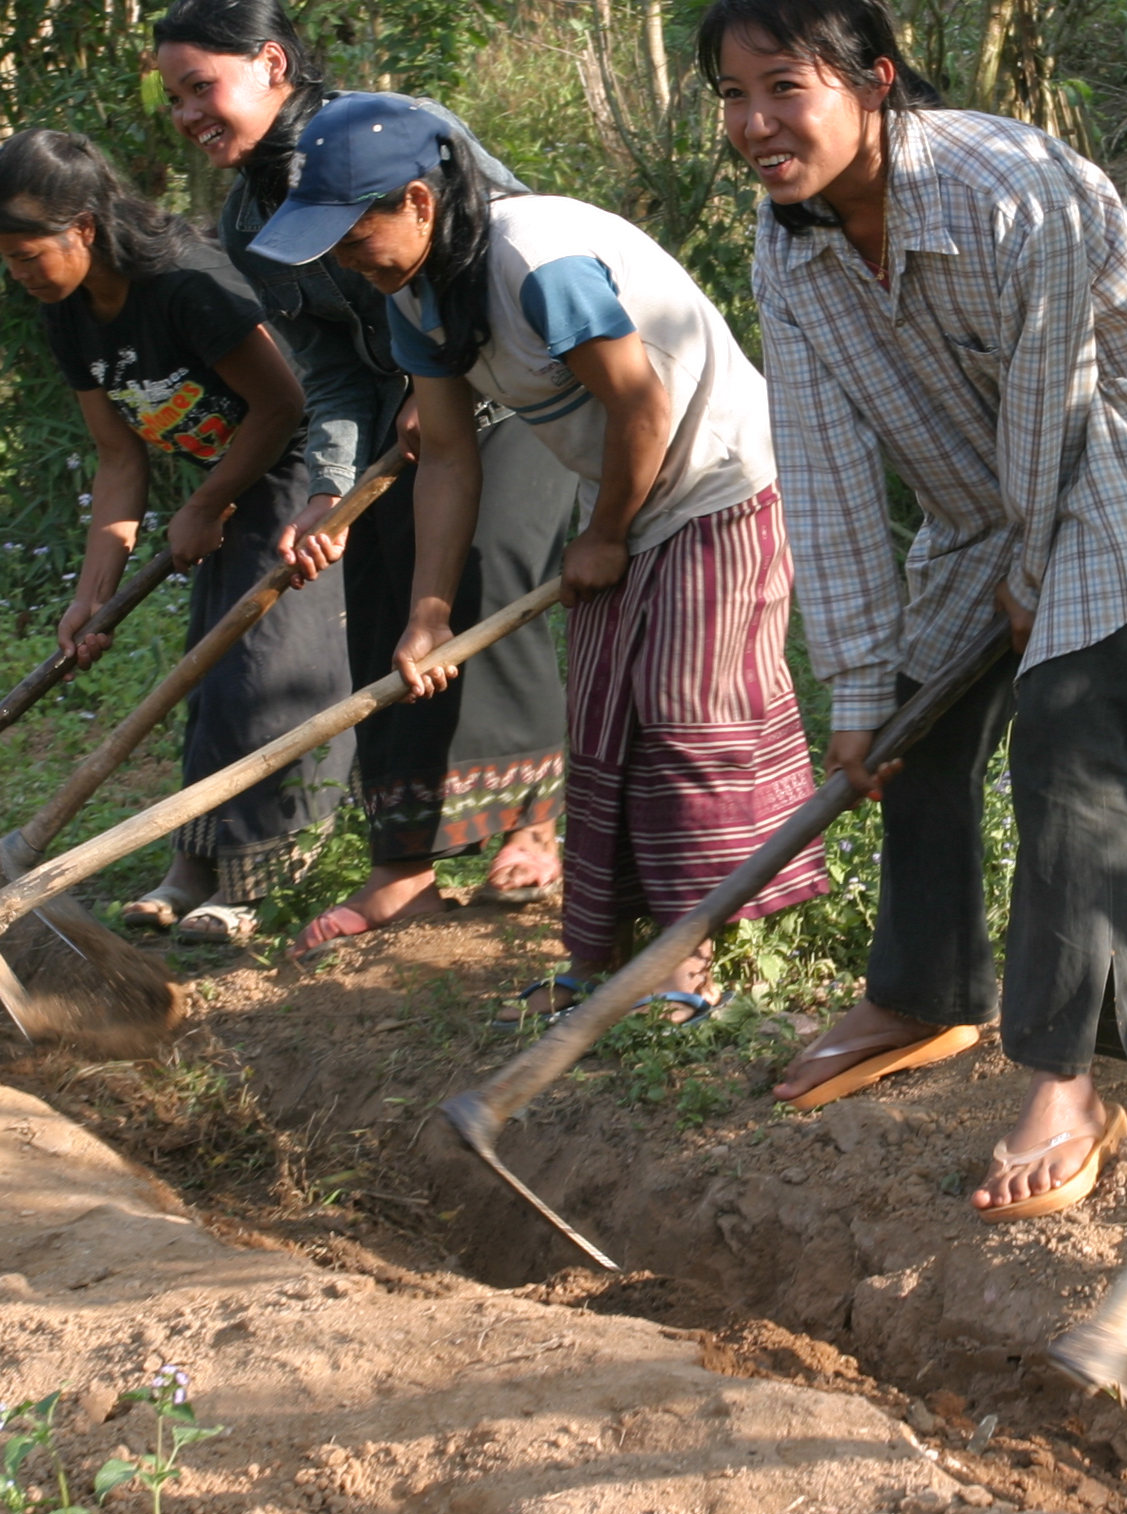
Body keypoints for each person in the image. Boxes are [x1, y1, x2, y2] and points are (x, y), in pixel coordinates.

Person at [704, 0, 1127, 1222]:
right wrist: (855, 682)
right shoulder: (789, 253)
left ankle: (1068, 1077)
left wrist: (1032, 568)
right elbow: (827, 471)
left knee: (1067, 728)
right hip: (980, 472)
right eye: (731, 96)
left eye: (783, 87)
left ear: (874, 80)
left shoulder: (1014, 185)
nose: (753, 126)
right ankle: (921, 992)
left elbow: (1059, 394)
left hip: (1126, 431)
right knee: (914, 723)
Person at [249, 93, 829, 1016]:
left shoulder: (537, 261)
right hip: (629, 492)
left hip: (721, 481)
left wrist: (601, 534)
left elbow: (643, 405)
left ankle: (688, 968)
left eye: (353, 235)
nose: (344, 261)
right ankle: (602, 959)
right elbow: (446, 454)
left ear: (418, 202)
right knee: (601, 719)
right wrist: (430, 610)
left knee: (681, 708)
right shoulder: (416, 296)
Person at [151, 0, 577, 957]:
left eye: (199, 87)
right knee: (388, 601)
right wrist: (330, 493)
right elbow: (333, 368)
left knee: (487, 571)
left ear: (271, 65)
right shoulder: (246, 216)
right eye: (172, 98)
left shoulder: (394, 134)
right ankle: (405, 864)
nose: (185, 116)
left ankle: (532, 825)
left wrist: (454, 383)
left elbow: (505, 245)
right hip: (401, 413)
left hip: (507, 383)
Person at [0, 129, 327, 946]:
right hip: (227, 480)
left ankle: (261, 870)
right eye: (6, 259)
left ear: (84, 228)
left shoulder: (186, 285)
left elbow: (284, 405)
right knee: (206, 673)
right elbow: (118, 458)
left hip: (301, 470)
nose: (17, 275)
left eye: (27, 254)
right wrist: (90, 599)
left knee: (262, 670)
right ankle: (196, 863)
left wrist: (207, 502)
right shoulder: (71, 316)